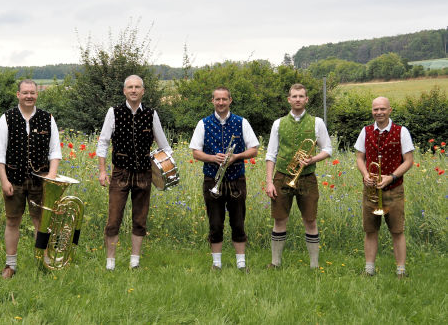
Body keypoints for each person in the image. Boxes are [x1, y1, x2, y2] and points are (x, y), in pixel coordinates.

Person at [97, 74, 172, 270]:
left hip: (143, 175)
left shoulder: (151, 114)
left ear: (143, 91)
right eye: (130, 87)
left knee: (140, 220)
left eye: (137, 87)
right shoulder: (113, 112)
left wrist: (161, 169)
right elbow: (103, 142)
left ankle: (134, 262)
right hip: (120, 173)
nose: (133, 90)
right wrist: (102, 171)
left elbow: (165, 146)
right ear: (124, 91)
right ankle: (110, 263)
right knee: (113, 220)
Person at [0, 79, 62, 278]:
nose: (29, 96)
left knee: (41, 221)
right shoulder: (6, 118)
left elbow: (55, 150)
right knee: (12, 221)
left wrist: (52, 176)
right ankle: (10, 265)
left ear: (37, 94)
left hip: (41, 180)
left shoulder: (47, 118)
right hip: (14, 178)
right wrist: (4, 181)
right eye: (25, 93)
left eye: (32, 92)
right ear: (18, 95)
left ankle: (43, 262)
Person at [189, 87, 259, 271]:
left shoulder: (241, 122)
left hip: (236, 178)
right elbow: (195, 152)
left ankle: (241, 264)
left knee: (238, 222)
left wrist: (236, 156)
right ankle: (216, 264)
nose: (221, 103)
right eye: (217, 99)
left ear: (230, 100)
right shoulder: (203, 123)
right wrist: (213, 158)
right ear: (212, 101)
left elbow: (254, 149)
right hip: (213, 178)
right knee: (215, 223)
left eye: (224, 99)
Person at [264, 83, 332, 269]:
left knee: (310, 220)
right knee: (279, 219)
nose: (298, 99)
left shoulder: (317, 122)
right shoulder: (278, 124)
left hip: (307, 177)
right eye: (294, 96)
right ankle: (276, 262)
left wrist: (313, 159)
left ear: (306, 99)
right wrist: (269, 182)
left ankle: (313, 265)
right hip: (283, 176)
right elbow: (271, 154)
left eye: (301, 96)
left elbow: (327, 149)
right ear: (289, 99)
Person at [355, 96, 413, 278]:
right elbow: (359, 157)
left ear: (390, 110)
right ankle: (369, 270)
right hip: (371, 191)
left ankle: (401, 271)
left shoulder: (401, 131)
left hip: (394, 190)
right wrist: (365, 175)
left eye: (382, 109)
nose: (378, 112)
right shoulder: (365, 131)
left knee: (397, 231)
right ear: (372, 111)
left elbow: (409, 161)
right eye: (375, 109)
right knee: (370, 230)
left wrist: (392, 177)